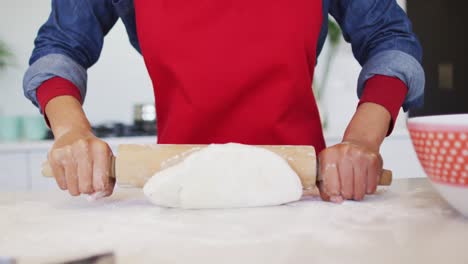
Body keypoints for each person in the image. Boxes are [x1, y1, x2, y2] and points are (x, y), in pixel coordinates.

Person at [23, 0, 424, 202]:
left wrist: (362, 140)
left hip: (305, 194)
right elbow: (60, 46)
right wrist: (71, 131)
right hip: (177, 196)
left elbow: (389, 38)